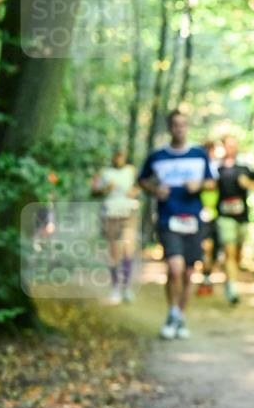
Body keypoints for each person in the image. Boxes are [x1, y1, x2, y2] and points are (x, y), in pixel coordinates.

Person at [138, 109, 217, 340]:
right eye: (175, 125)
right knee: (174, 269)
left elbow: (212, 183)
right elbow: (142, 181)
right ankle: (172, 312)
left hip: (193, 220)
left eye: (183, 125)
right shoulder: (157, 156)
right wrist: (155, 190)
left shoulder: (199, 154)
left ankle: (180, 316)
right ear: (169, 128)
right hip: (167, 219)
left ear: (187, 127)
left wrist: (199, 185)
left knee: (189, 272)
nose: (179, 129)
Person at [216, 135, 254, 305]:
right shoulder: (216, 168)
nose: (231, 148)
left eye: (234, 145)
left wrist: (247, 183)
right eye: (228, 145)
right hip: (223, 216)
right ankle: (232, 287)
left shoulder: (245, 167)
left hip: (242, 217)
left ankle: (230, 279)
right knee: (229, 250)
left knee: (237, 254)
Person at [91, 150, 139, 304]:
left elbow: (142, 184)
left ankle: (126, 287)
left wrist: (135, 191)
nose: (118, 158)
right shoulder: (104, 173)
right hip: (110, 214)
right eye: (116, 156)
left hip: (128, 214)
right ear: (112, 157)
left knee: (127, 250)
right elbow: (93, 192)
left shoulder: (131, 171)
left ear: (125, 157)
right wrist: (106, 189)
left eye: (121, 156)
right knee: (114, 252)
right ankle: (116, 287)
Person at [196, 140, 222, 297]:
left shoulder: (219, 167)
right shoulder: (200, 168)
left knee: (215, 249)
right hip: (202, 213)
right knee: (206, 247)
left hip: (218, 214)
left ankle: (207, 277)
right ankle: (205, 279)